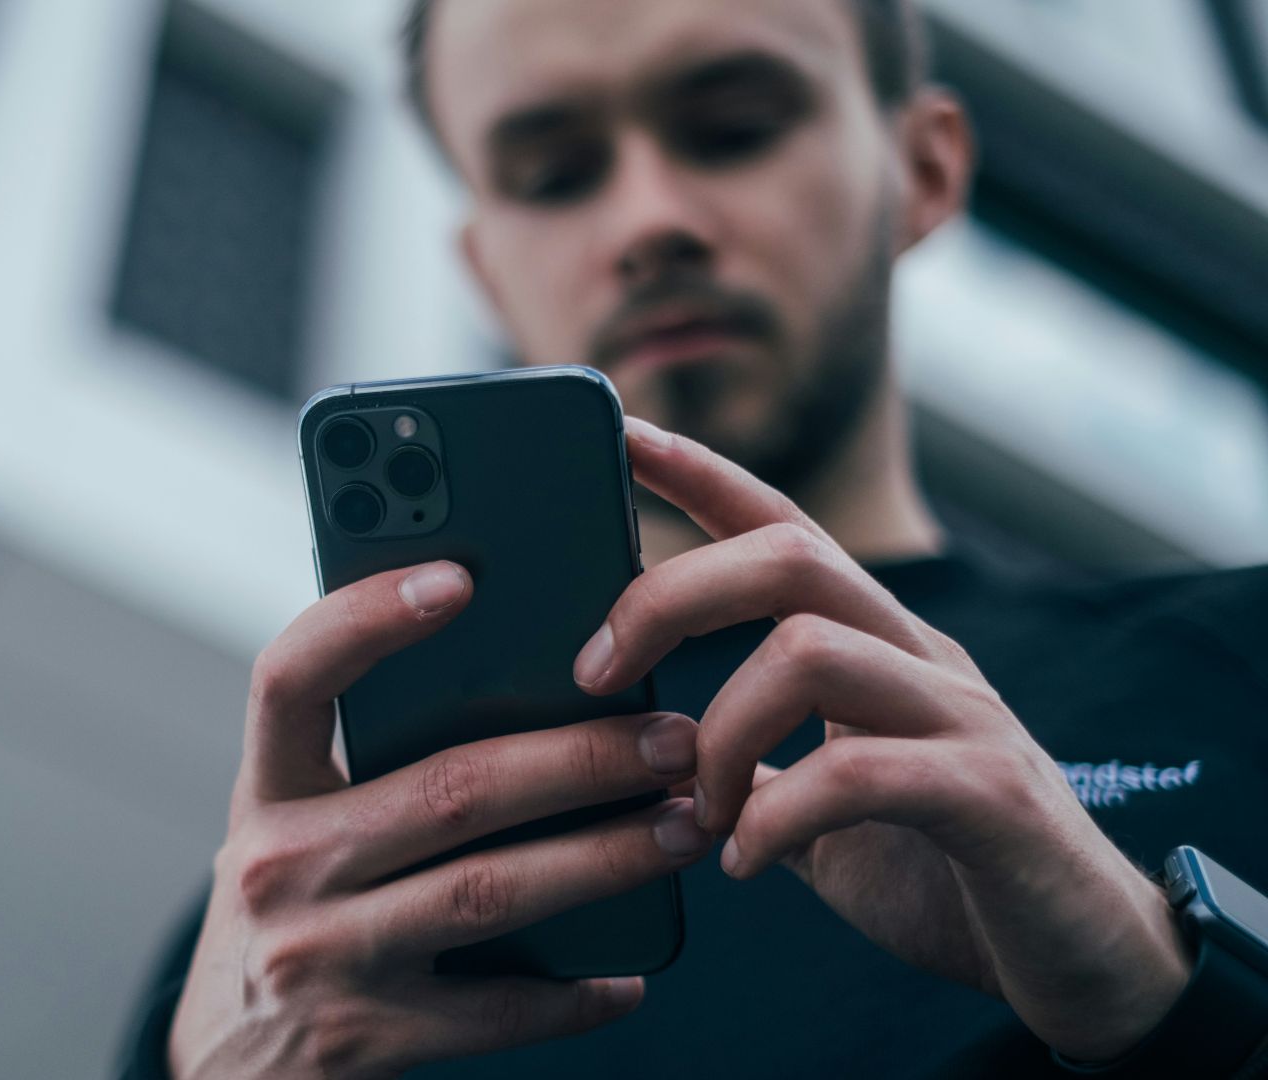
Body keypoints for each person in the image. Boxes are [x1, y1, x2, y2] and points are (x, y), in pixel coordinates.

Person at [119, 1, 1268, 1075]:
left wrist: (1164, 986)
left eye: (734, 129)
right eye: (555, 175)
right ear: (486, 271)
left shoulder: (1239, 661)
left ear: (920, 170)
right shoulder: (298, 924)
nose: (649, 221)